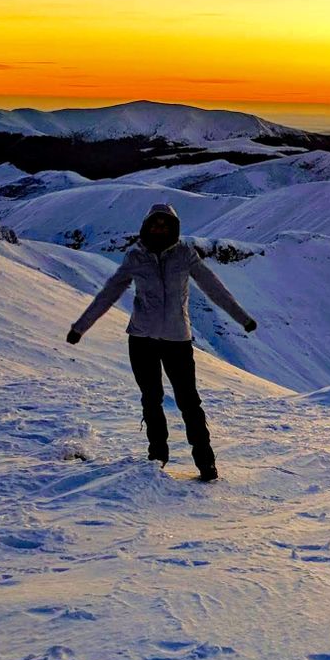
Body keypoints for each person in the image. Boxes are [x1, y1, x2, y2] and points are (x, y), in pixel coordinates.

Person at [65, 202, 256, 481]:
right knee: (151, 400)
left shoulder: (184, 255)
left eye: (166, 224)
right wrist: (80, 328)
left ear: (174, 228)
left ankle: (206, 463)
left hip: (177, 340)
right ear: (146, 225)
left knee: (189, 402)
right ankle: (157, 457)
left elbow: (214, 287)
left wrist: (242, 318)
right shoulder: (135, 257)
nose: (160, 228)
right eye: (156, 223)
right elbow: (109, 293)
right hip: (141, 339)